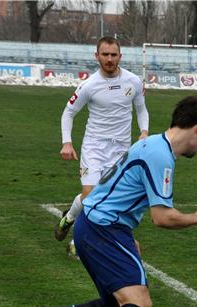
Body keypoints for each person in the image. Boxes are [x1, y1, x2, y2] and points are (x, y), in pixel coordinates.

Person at [27, 96, 197, 307]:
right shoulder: (161, 156)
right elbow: (162, 218)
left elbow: (110, 187)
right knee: (138, 303)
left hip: (98, 226)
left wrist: (126, 238)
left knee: (116, 305)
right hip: (104, 229)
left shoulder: (151, 144)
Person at [55, 36, 149, 245]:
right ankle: (77, 242)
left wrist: (144, 131)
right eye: (105, 54)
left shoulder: (133, 81)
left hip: (121, 150)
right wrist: (67, 142)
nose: (109, 59)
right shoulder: (89, 85)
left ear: (120, 56)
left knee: (109, 199)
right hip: (94, 148)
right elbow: (68, 113)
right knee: (90, 198)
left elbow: (141, 109)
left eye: (113, 55)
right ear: (96, 56)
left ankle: (69, 217)